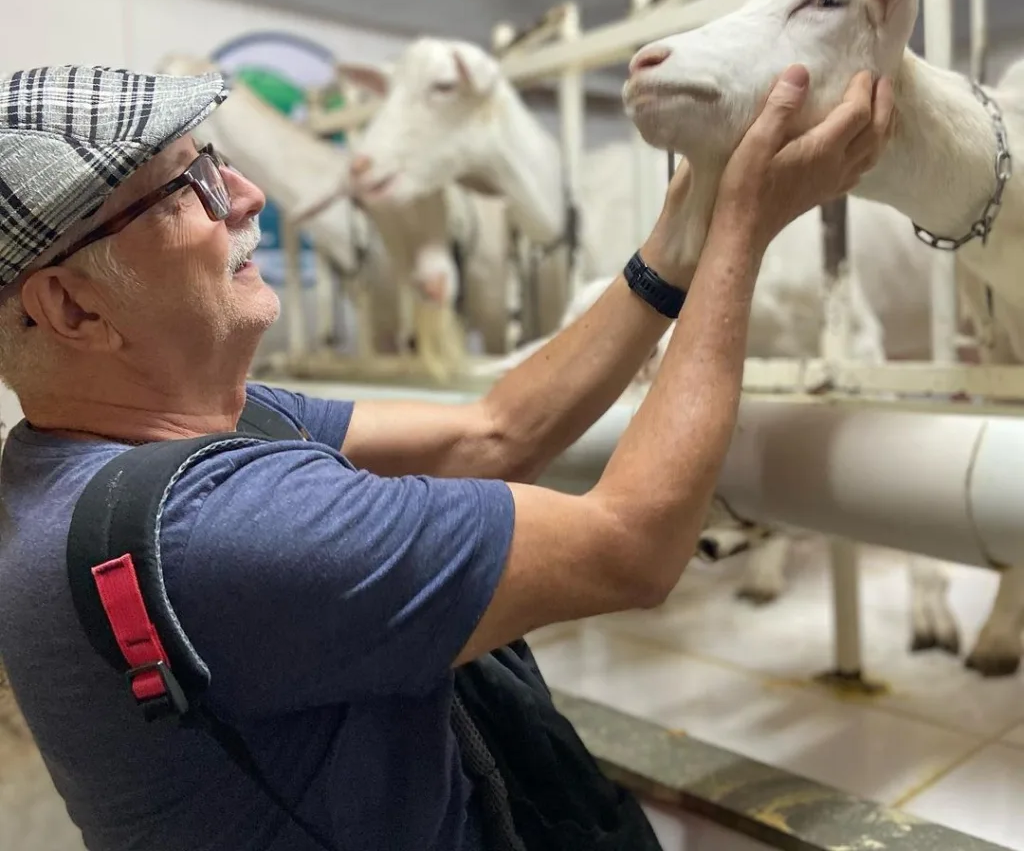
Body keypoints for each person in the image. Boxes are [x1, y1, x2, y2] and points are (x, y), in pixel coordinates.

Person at [0, 61, 892, 851]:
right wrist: (745, 231)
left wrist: (679, 248)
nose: (245, 195)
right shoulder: (217, 530)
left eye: (216, 160)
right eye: (186, 186)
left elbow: (495, 431)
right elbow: (631, 543)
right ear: (74, 311)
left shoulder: (159, 437)